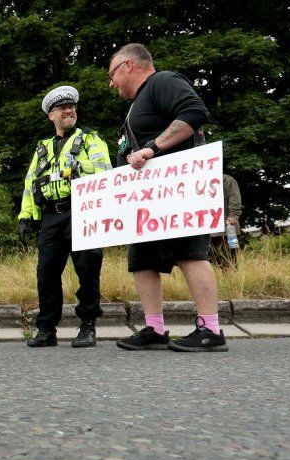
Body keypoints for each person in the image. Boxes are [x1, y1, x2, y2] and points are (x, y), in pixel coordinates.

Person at [107, 43, 227, 352]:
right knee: (141, 260)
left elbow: (195, 113)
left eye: (111, 75)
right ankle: (154, 328)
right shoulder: (138, 103)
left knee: (190, 253)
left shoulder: (163, 81)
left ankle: (210, 329)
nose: (111, 83)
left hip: (179, 195)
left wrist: (152, 148)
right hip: (147, 202)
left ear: (127, 66)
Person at [18, 86, 112, 348]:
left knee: (88, 272)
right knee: (46, 273)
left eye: (71, 107)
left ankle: (88, 326)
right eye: (62, 108)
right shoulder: (42, 149)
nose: (68, 111)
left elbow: (105, 174)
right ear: (51, 116)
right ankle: (47, 328)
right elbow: (30, 184)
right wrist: (26, 216)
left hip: (83, 212)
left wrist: (79, 172)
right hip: (51, 217)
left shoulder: (91, 140)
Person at [209, 174, 242, 268]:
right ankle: (226, 276)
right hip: (208, 230)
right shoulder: (200, 182)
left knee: (231, 257)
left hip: (228, 227)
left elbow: (235, 200)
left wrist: (233, 218)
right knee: (213, 258)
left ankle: (233, 278)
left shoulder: (227, 180)